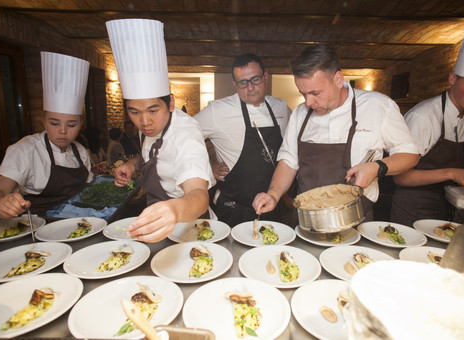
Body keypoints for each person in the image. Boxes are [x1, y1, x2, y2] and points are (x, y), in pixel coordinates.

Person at [252, 44, 419, 222]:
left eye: (315, 93)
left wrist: (377, 167)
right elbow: (288, 162)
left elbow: (410, 155)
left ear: (338, 79)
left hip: (355, 218)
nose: (308, 102)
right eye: (303, 93)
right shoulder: (300, 114)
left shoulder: (378, 106)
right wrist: (273, 194)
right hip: (307, 219)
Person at [391, 4, 464, 226]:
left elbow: (463, 167)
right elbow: (401, 176)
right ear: (453, 78)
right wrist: (454, 173)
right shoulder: (424, 116)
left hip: (449, 207)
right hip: (413, 208)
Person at [107, 18, 215, 243]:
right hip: (158, 219)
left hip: (188, 225)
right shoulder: (151, 125)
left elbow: (199, 194)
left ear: (171, 103)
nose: (144, 121)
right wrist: (131, 164)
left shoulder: (186, 135)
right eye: (134, 112)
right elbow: (151, 154)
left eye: (153, 110)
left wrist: (174, 211)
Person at [193, 53, 291, 227]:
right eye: (243, 83)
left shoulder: (280, 106)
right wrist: (207, 167)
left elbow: (293, 146)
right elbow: (185, 135)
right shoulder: (218, 111)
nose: (250, 87)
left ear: (265, 77)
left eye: (255, 79)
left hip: (272, 204)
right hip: (234, 208)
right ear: (235, 84)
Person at [0, 52, 92, 218]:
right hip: (35, 230)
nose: (63, 131)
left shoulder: (80, 151)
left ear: (81, 124)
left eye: (72, 125)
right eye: (54, 123)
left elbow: (88, 191)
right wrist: (1, 205)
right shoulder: (26, 150)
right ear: (43, 121)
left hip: (78, 225)